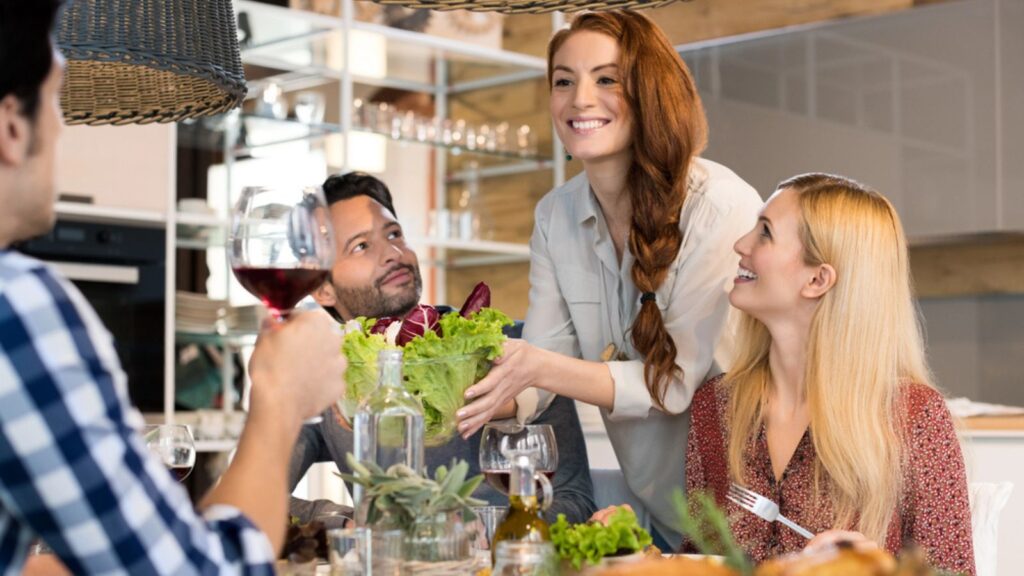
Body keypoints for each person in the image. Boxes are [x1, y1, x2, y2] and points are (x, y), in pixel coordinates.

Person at [0, 1, 347, 573]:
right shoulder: (18, 309)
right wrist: (279, 399)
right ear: (14, 127)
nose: (65, 125)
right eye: (56, 99)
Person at [453, 11, 762, 547]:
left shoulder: (717, 207)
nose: (580, 101)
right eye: (563, 81)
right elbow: (542, 364)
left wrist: (537, 365)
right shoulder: (556, 215)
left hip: (749, 509)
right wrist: (479, 395)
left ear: (651, 93)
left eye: (606, 79)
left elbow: (672, 385)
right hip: (663, 515)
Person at [684, 174, 975, 574]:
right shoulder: (714, 406)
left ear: (817, 279)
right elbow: (695, 558)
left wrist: (877, 568)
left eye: (765, 233)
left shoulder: (914, 418)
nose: (741, 244)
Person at [290, 171, 596, 524]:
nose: (392, 253)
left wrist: (468, 535)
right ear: (322, 288)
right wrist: (346, 523)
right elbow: (251, 503)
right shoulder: (338, 385)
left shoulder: (513, 353)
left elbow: (574, 499)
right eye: (361, 246)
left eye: (394, 234)